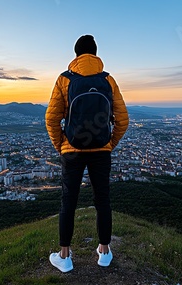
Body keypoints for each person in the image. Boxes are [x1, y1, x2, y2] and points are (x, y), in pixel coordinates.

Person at [45, 35, 129, 272]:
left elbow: (51, 118)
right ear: (95, 53)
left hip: (72, 149)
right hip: (101, 149)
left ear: (76, 55)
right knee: (102, 200)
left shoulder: (65, 79)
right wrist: (109, 144)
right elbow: (123, 120)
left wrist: (61, 144)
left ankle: (65, 256)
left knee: (68, 201)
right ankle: (103, 252)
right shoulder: (108, 80)